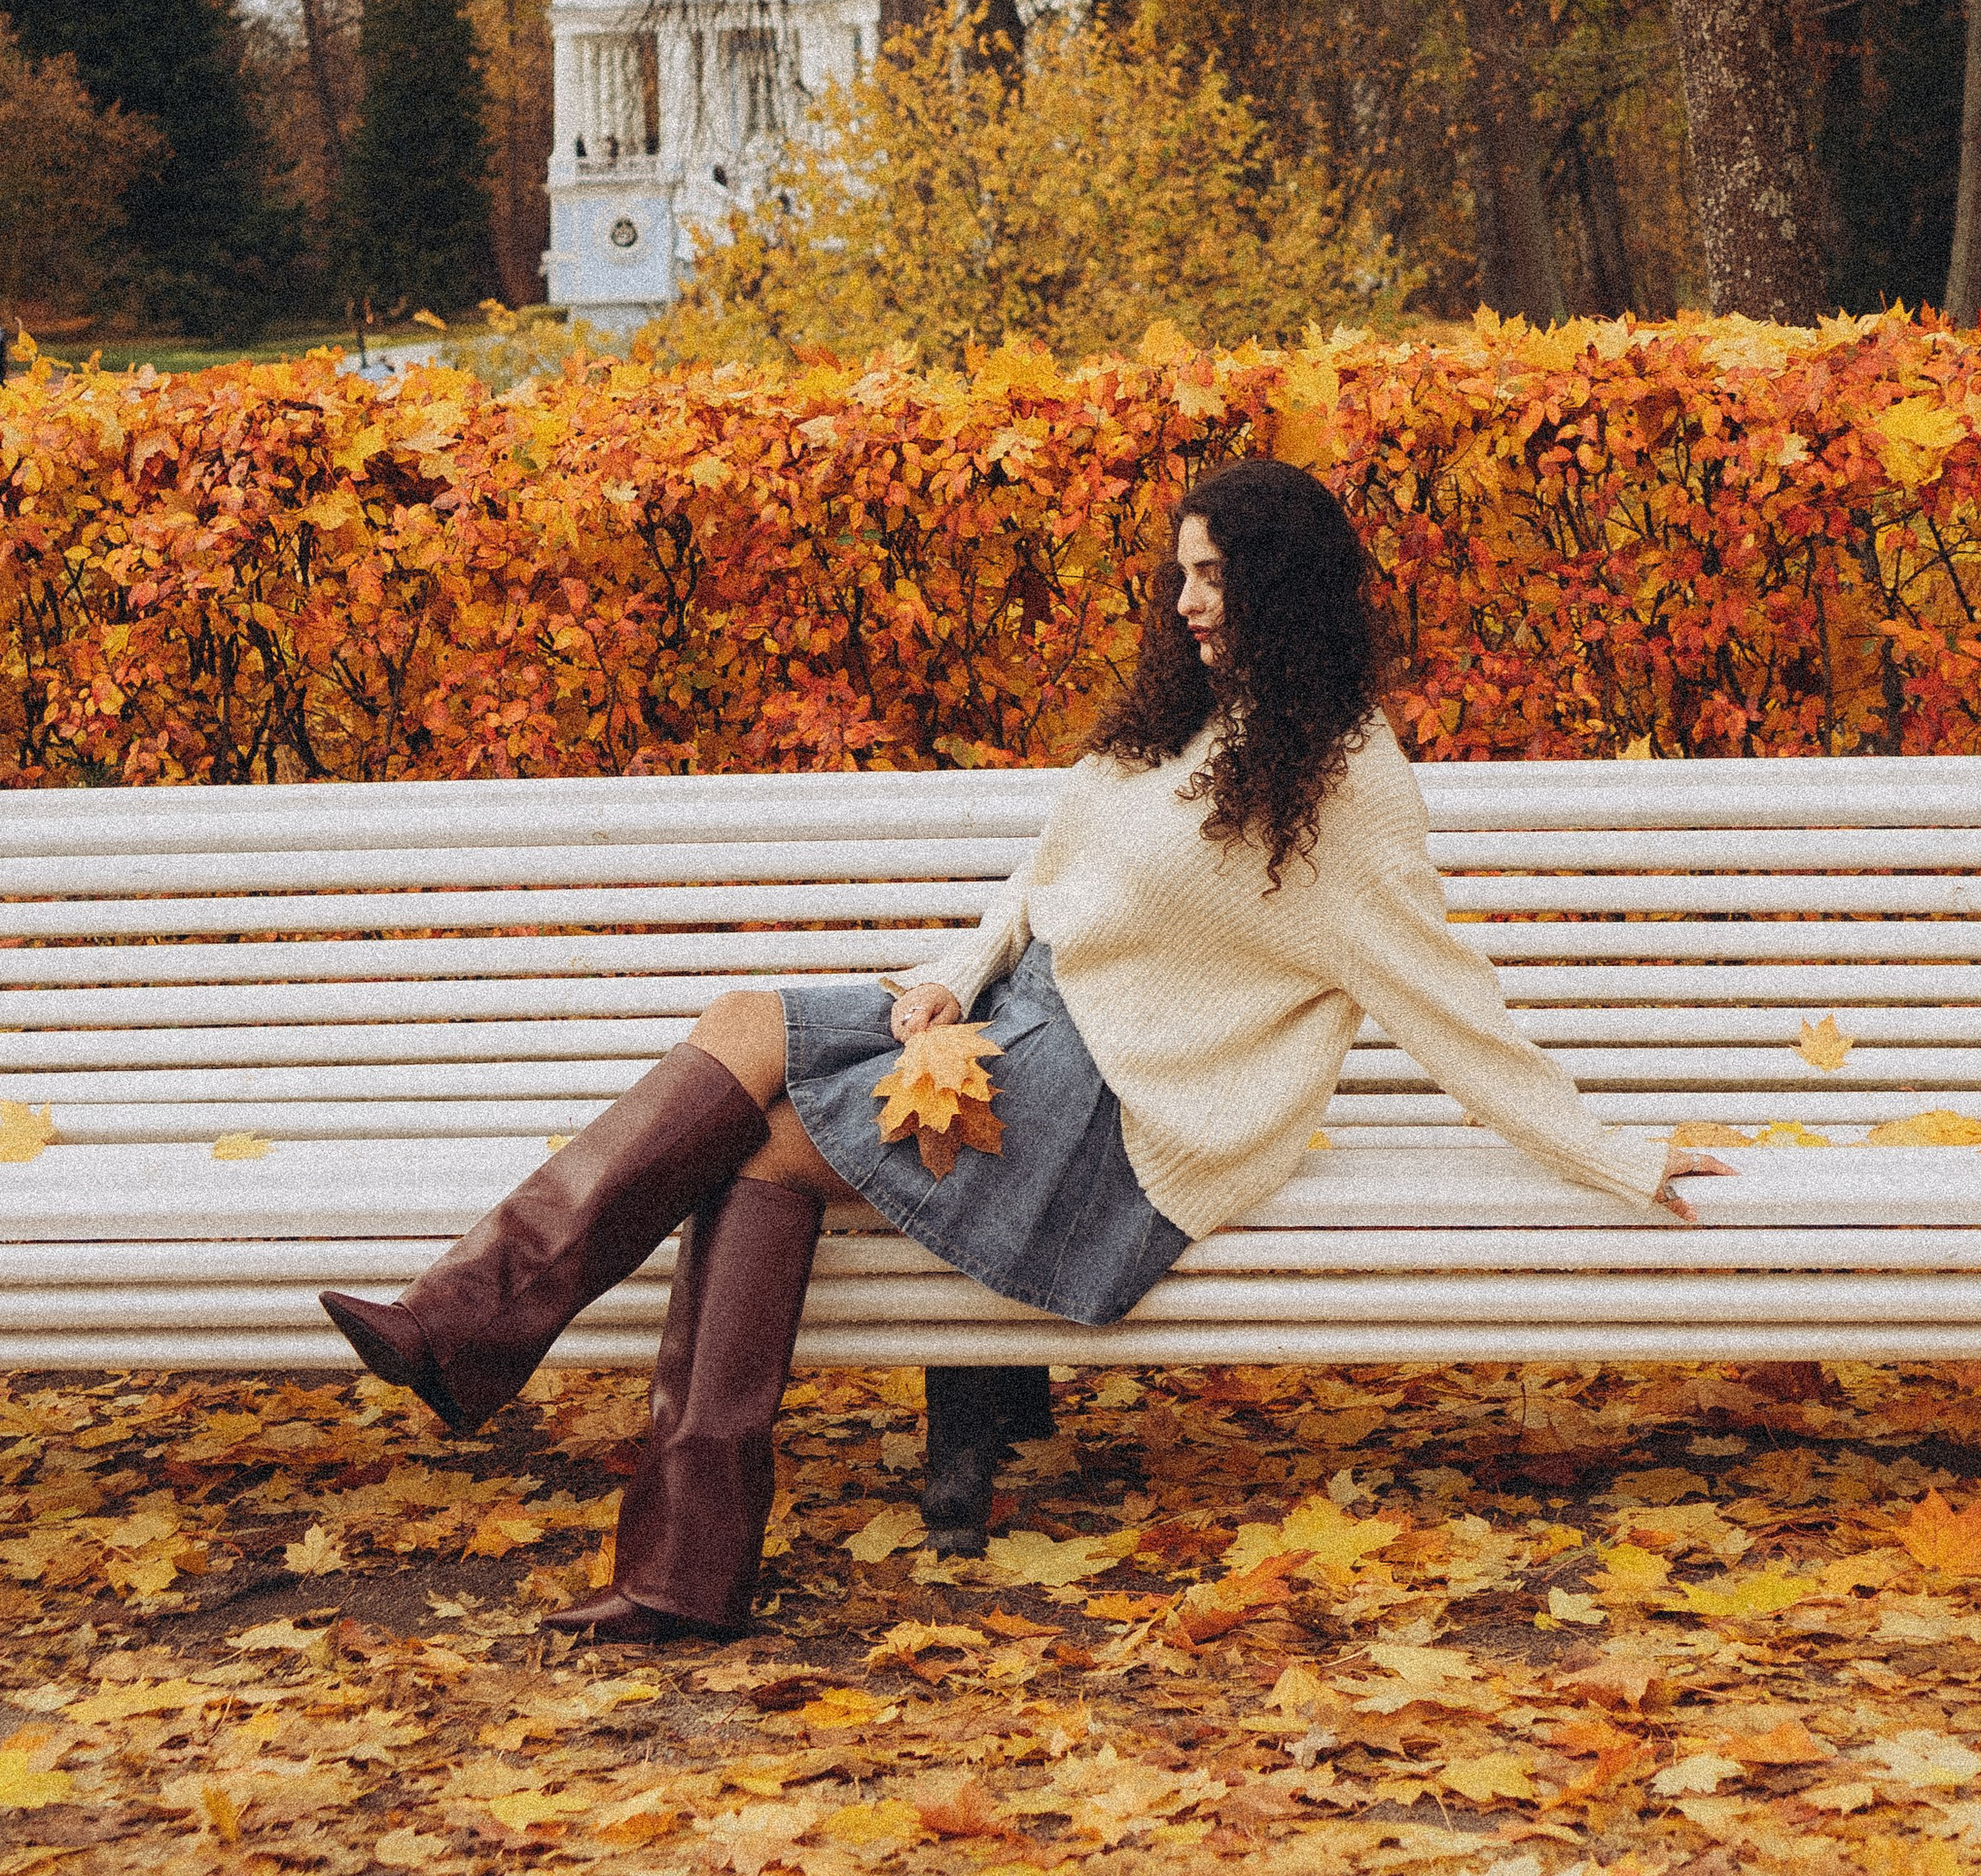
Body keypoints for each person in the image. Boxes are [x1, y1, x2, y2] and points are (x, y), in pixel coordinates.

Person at [320, 457, 1729, 1642]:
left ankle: (639, 1521)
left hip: (1105, 1122)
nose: (1181, 606)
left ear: (1281, 589)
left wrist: (1622, 1155)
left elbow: (1446, 1002)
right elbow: (1037, 886)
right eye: (1178, 576)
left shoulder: (1348, 783)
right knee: (747, 1023)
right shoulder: (1179, 721)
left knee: (762, 1148)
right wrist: (944, 979)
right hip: (1011, 1035)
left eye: (1210, 580)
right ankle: (489, 1344)